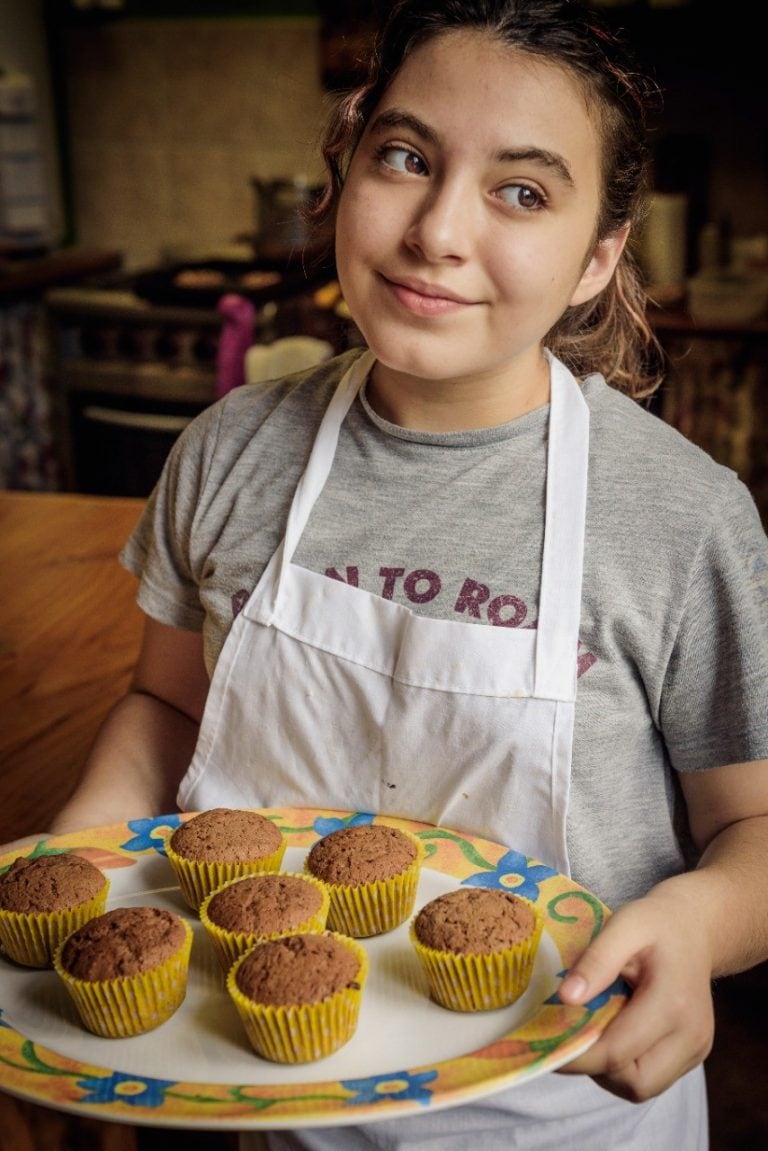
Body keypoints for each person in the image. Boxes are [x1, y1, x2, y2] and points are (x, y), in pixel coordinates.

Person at [8, 1, 768, 1148]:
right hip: (232, 1083)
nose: (437, 231)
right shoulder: (229, 449)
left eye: (522, 190)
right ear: (345, 172)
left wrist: (700, 925)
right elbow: (166, 703)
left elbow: (754, 827)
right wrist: (77, 894)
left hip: (556, 1109)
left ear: (596, 257)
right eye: (406, 158)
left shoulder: (682, 518)